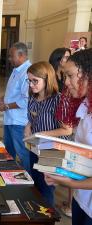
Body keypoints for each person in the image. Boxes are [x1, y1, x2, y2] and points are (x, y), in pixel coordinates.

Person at [44, 48, 92, 225]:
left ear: (88, 74)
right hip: (81, 200)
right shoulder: (85, 106)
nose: (67, 83)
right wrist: (57, 167)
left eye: (70, 76)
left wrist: (69, 182)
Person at [24, 61, 72, 206]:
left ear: (47, 79)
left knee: (46, 190)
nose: (31, 84)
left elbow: (67, 129)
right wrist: (28, 125)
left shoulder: (58, 100)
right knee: (35, 184)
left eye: (35, 81)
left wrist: (44, 133)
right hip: (35, 148)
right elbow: (33, 116)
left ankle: (47, 217)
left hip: (51, 152)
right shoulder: (33, 97)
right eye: (29, 80)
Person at [0, 42, 32, 172]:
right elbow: (12, 91)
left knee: (22, 154)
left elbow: (26, 100)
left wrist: (6, 106)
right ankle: (10, 176)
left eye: (12, 56)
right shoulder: (16, 70)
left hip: (19, 121)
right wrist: (2, 98)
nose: (9, 59)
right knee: (8, 151)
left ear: (21, 55)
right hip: (10, 119)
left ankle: (29, 187)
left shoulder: (28, 72)